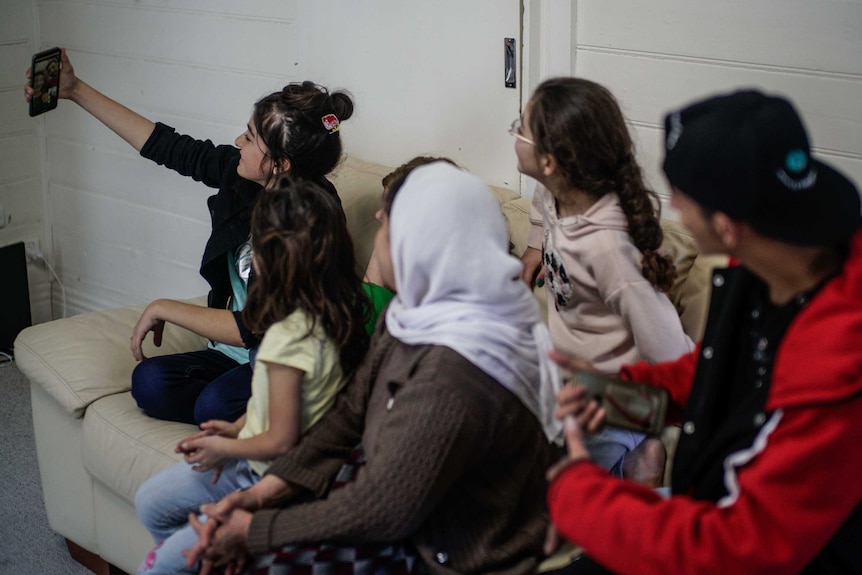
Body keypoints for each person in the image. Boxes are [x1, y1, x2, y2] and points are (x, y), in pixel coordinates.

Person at [183, 162, 561, 575]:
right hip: (405, 509)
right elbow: (349, 413)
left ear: (423, 247)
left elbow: (384, 508)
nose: (378, 228)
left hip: (452, 550)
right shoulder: (412, 315)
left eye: (389, 226)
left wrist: (256, 529)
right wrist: (268, 490)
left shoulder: (455, 374)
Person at [546, 90, 862, 574]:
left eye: (680, 197)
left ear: (727, 226)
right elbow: (719, 372)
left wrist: (576, 493)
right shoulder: (769, 263)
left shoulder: (838, 368)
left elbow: (739, 549)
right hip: (715, 509)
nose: (671, 206)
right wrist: (613, 395)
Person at [25, 48, 355, 425]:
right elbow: (171, 148)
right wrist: (75, 89)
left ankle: (287, 412)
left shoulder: (308, 219)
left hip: (286, 359)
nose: (237, 142)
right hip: (239, 353)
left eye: (249, 138)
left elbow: (256, 326)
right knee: (150, 383)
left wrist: (166, 307)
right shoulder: (253, 178)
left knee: (213, 407)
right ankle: (259, 409)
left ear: (281, 165)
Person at [135, 180, 376, 575]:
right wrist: (235, 430)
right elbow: (274, 400)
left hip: (269, 477)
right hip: (254, 457)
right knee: (151, 502)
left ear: (269, 257)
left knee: (158, 566)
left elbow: (281, 438)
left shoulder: (288, 340)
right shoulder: (339, 313)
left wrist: (224, 450)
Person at [516, 77, 693, 479]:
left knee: (551, 491)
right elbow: (542, 208)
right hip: (572, 378)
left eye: (519, 130)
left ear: (550, 162)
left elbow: (671, 351)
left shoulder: (609, 249)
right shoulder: (555, 191)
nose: (514, 135)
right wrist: (533, 245)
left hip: (616, 393)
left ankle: (643, 457)